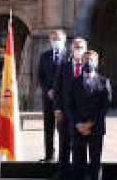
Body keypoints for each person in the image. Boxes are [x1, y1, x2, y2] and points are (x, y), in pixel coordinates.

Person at [66, 50, 111, 180]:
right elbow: (69, 105)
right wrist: (78, 124)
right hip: (77, 128)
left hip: (96, 128)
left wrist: (90, 123)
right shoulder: (73, 82)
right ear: (81, 62)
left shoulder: (104, 81)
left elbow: (105, 106)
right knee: (78, 161)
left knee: (95, 160)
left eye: (91, 60)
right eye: (86, 59)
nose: (88, 62)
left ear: (96, 63)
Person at [58, 37, 89, 180]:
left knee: (81, 146)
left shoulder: (89, 66)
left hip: (83, 113)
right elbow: (57, 88)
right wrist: (57, 109)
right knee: (64, 143)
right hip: (65, 111)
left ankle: (80, 174)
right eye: (76, 47)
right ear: (71, 48)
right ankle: (63, 173)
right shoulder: (63, 66)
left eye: (81, 47)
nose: (78, 50)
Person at [38, 29, 68, 163]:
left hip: (64, 99)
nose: (56, 41)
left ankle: (64, 156)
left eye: (58, 39)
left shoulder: (69, 56)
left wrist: (60, 91)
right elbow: (40, 76)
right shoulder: (45, 56)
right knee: (48, 127)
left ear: (64, 40)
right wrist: (48, 90)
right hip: (48, 97)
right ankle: (49, 155)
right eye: (53, 39)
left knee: (63, 128)